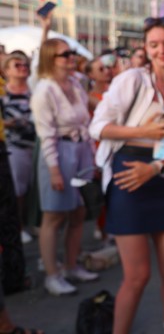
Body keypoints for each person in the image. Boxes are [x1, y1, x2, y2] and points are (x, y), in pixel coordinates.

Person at [89, 16, 164, 334]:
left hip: (163, 174)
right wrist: (143, 131)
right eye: (154, 44)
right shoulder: (132, 79)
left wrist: (157, 167)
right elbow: (97, 127)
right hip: (128, 176)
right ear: (145, 49)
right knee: (137, 275)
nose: (161, 50)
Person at [30, 38, 99, 296]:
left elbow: (85, 121)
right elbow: (46, 134)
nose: (72, 57)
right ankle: (52, 275)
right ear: (51, 58)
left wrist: (91, 157)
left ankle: (71, 265)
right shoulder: (44, 90)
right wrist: (54, 170)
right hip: (58, 153)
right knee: (54, 216)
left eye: (72, 53)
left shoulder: (74, 83)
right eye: (65, 54)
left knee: (79, 212)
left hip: (79, 150)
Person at [1, 54, 36, 244]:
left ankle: (30, 223)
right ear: (6, 70)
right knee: (17, 190)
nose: (23, 67)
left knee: (32, 189)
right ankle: (18, 226)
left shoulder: (35, 90)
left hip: (36, 146)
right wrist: (9, 123)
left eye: (25, 64)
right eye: (17, 65)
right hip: (14, 146)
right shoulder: (2, 93)